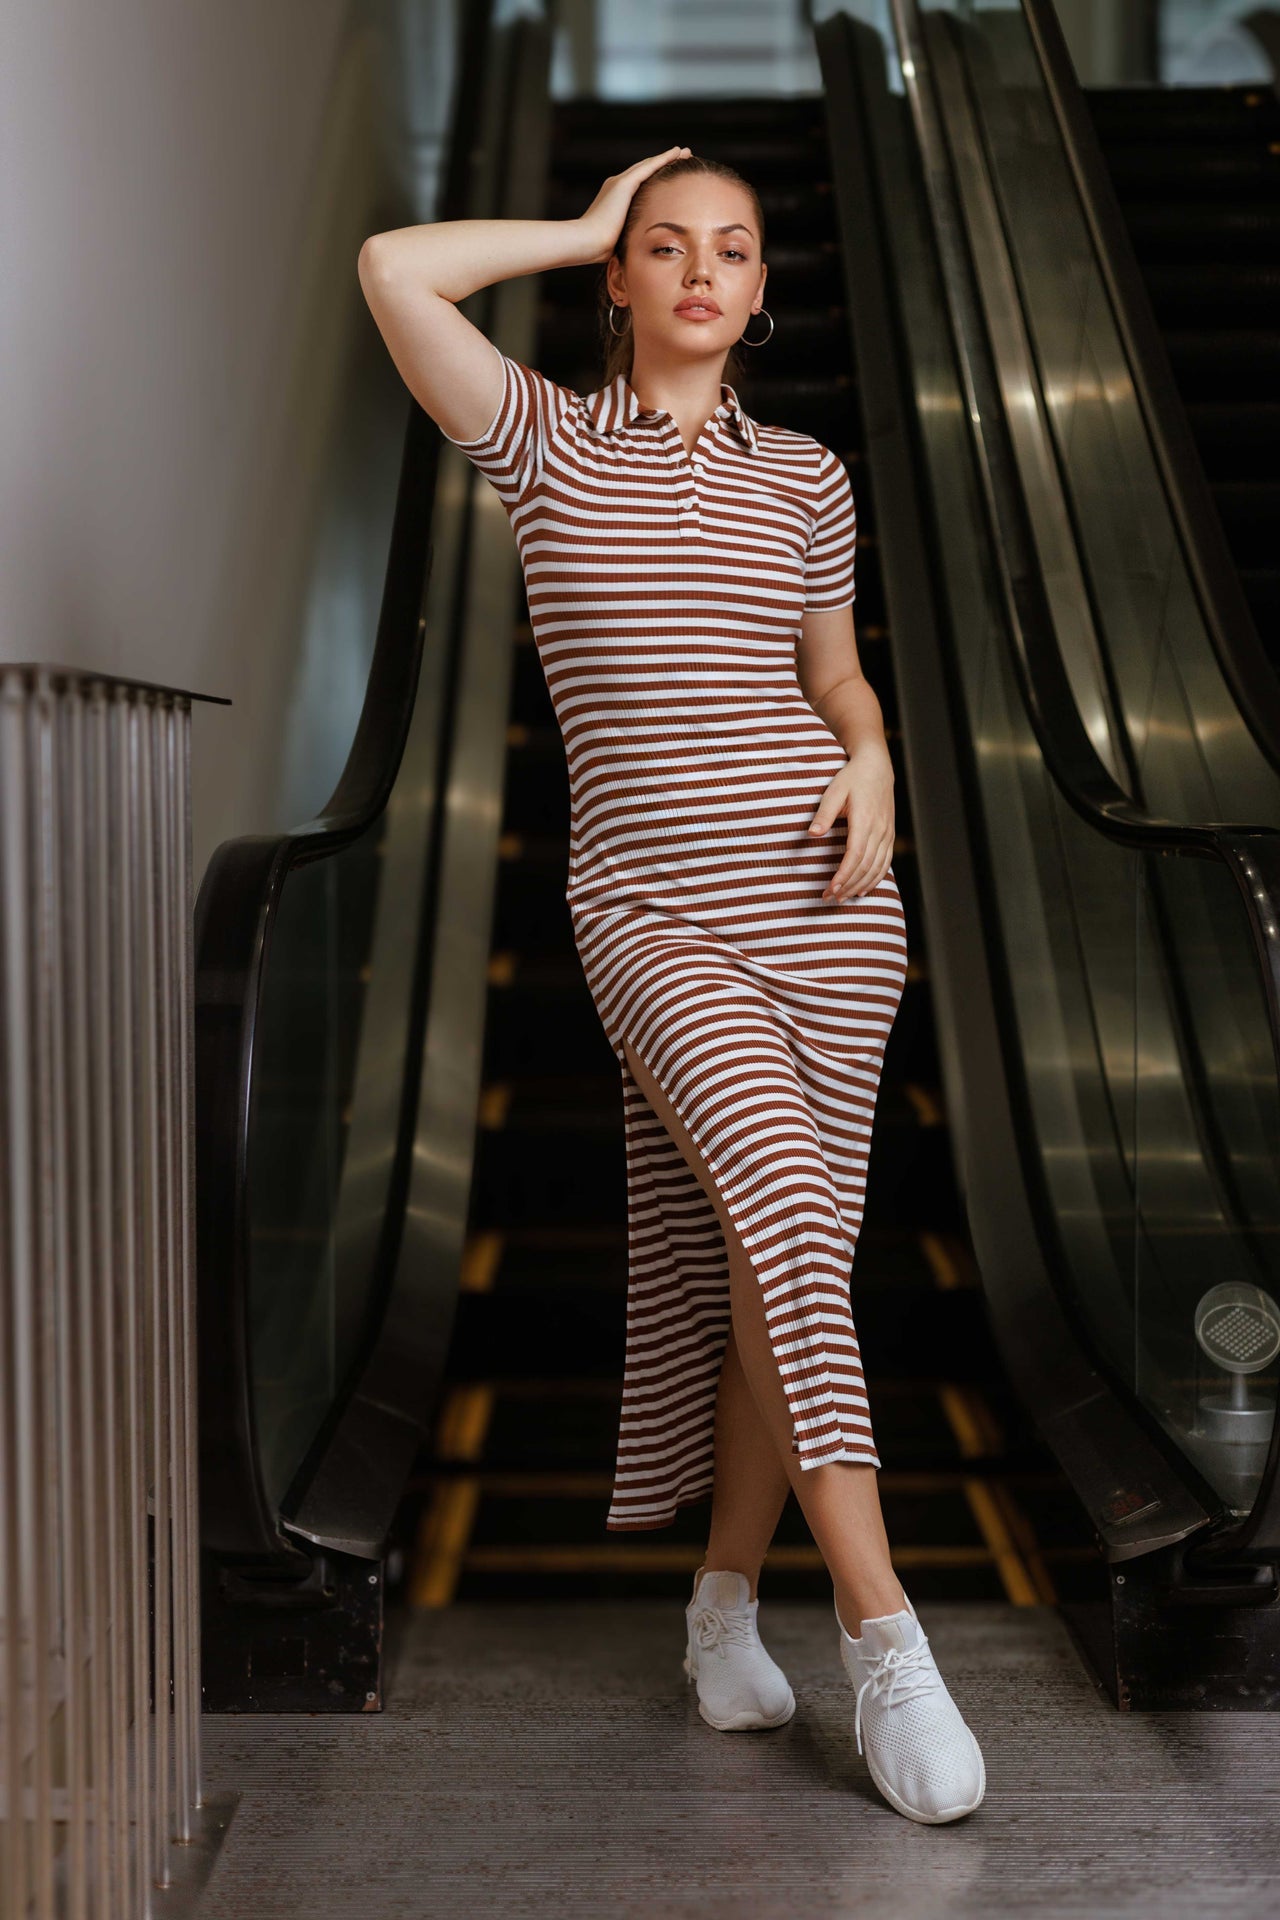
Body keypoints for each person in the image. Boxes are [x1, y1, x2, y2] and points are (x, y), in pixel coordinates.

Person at [358, 145, 984, 1824]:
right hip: (653, 915)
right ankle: (887, 1637)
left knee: (785, 1263)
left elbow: (834, 675)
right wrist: (575, 224)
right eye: (664, 247)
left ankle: (721, 1612)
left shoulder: (808, 476)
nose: (702, 271)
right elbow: (394, 269)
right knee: (781, 1213)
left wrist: (876, 756)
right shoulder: (546, 444)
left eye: (733, 250)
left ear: (763, 291)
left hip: (833, 906)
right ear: (622, 280)